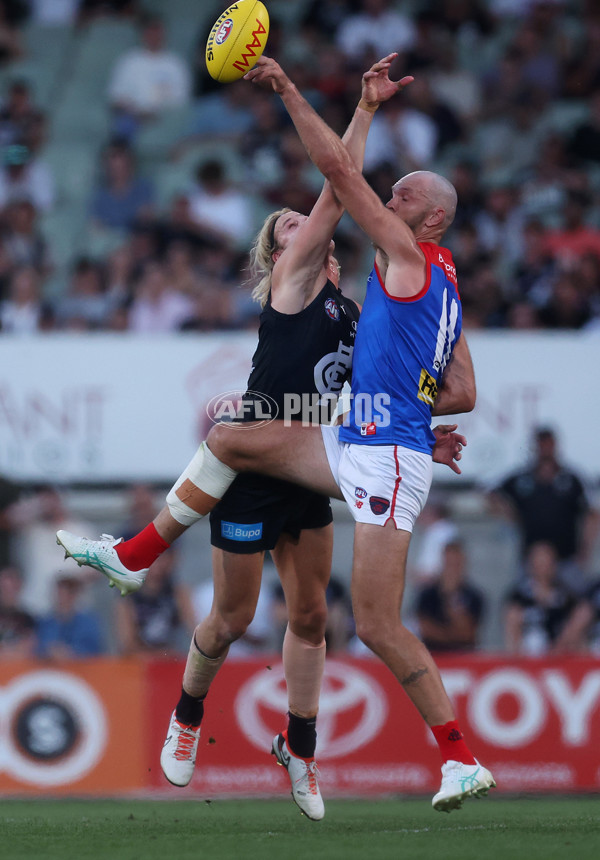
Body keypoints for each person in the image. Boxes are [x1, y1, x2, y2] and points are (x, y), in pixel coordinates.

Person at [57, 54, 493, 815]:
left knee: (325, 617)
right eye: (289, 223)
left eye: (400, 196)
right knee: (231, 607)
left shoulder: (373, 302)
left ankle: (314, 749)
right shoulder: (310, 281)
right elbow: (337, 184)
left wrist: (416, 434)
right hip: (307, 448)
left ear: (429, 218)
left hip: (341, 450)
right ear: (279, 249)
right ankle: (183, 703)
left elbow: (415, 389)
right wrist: (346, 108)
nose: (316, 217)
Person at [489, 426, 600, 595]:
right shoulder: (522, 478)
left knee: (577, 604)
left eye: (549, 445)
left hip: (566, 561)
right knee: (523, 603)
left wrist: (585, 550)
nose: (545, 450)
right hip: (531, 563)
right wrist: (510, 516)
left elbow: (592, 512)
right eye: (542, 445)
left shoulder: (571, 479)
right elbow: (492, 494)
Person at [503, 540, 581, 655]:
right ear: (530, 564)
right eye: (539, 562)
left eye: (547, 562)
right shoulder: (518, 595)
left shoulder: (566, 596)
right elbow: (511, 624)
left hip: (557, 655)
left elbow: (573, 628)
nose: (543, 568)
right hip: (526, 654)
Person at [415, 540, 485, 653]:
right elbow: (425, 629)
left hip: (464, 656)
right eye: (449, 563)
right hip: (433, 655)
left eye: (456, 564)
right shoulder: (427, 594)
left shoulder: (474, 596)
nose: (452, 569)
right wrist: (453, 635)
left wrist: (452, 597)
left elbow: (468, 634)